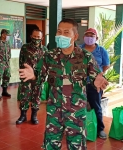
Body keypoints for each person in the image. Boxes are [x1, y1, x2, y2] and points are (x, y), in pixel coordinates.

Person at [19, 19, 108, 150]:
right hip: (54, 111)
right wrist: (33, 75)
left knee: (77, 147)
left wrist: (97, 82)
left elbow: (97, 78)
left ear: (75, 36)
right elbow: (39, 77)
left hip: (76, 113)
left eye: (66, 32)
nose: (61, 35)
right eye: (59, 32)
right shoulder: (49, 56)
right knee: (51, 145)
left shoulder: (85, 56)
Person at [80, 28, 110, 139]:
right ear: (83, 37)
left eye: (92, 35)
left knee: (96, 106)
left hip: (95, 85)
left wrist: (99, 75)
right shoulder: (78, 49)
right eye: (87, 35)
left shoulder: (101, 50)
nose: (89, 37)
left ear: (96, 38)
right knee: (79, 106)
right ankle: (80, 127)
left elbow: (106, 65)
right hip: (80, 83)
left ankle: (100, 129)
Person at [16, 29, 47, 125]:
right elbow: (21, 61)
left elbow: (46, 65)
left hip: (39, 78)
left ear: (42, 38)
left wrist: (42, 77)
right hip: (27, 78)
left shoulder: (45, 50)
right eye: (34, 36)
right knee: (24, 96)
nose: (36, 39)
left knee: (36, 97)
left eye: (38, 37)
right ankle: (23, 115)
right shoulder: (25, 48)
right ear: (31, 36)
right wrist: (22, 74)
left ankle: (34, 116)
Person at [0, 29, 11, 99]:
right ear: (3, 34)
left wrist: (9, 57)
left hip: (7, 63)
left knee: (7, 76)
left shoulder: (7, 42)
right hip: (0, 63)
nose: (8, 37)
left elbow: (9, 51)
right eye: (7, 35)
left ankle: (4, 91)